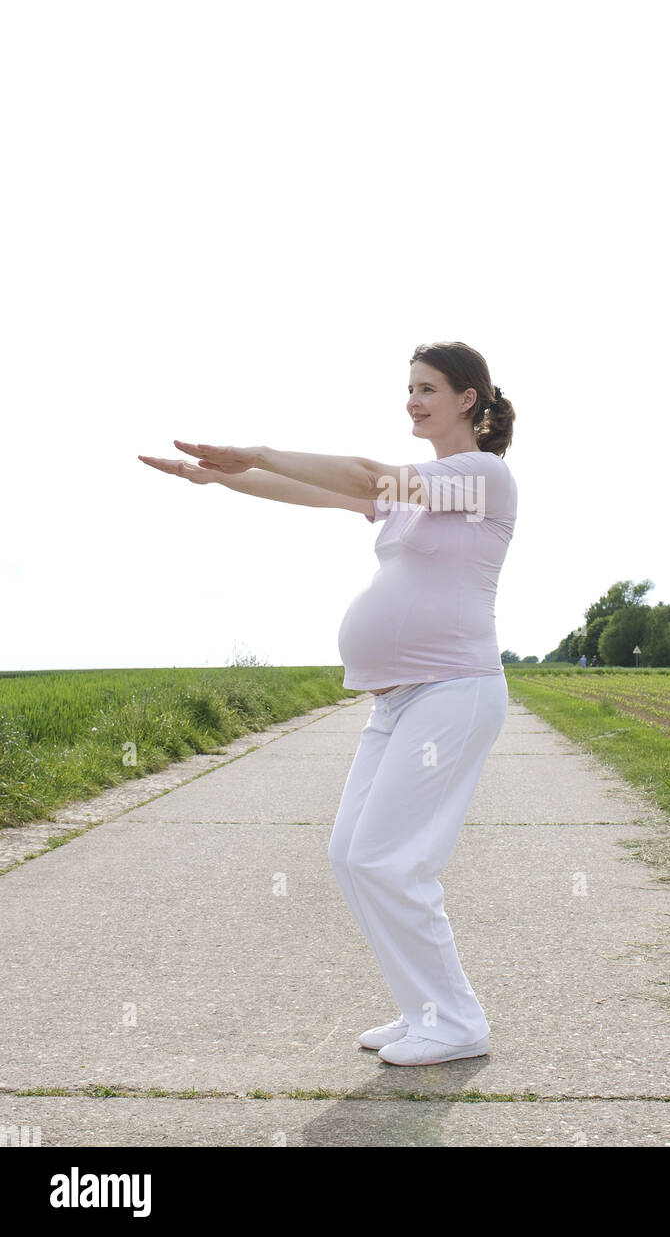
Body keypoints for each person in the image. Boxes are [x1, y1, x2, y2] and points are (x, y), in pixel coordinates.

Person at [137, 340, 517, 1069]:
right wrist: (221, 477)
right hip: (398, 703)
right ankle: (425, 1012)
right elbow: (324, 492)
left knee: (387, 858)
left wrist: (260, 449)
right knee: (351, 854)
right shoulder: (418, 490)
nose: (413, 399)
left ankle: (458, 1023)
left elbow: (366, 473)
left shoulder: (481, 478)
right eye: (408, 387)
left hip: (452, 692)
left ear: (468, 397)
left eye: (428, 387)